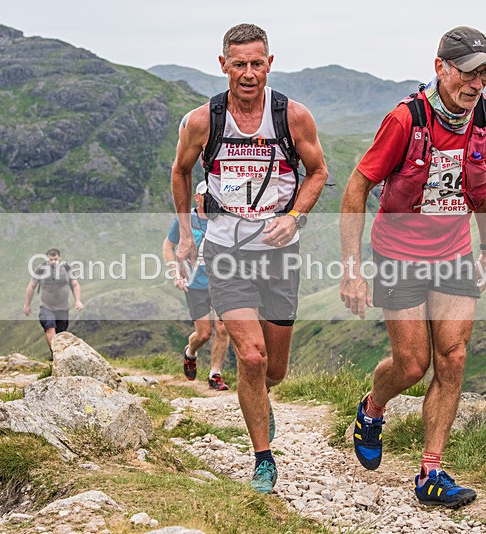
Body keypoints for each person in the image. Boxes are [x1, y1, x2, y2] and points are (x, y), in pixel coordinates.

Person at [340, 26, 486, 508]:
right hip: (398, 254)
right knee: (412, 364)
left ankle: (431, 472)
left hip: (454, 252)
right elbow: (355, 188)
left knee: (453, 357)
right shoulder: (404, 120)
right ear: (441, 68)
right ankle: (372, 410)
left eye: (485, 73)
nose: (476, 84)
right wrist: (352, 270)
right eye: (468, 73)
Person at [171, 23, 328, 493]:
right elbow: (180, 173)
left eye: (256, 63)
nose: (248, 73)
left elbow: (318, 172)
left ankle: (260, 400)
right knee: (252, 357)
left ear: (270, 64)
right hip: (225, 252)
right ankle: (263, 459)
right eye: (238, 64)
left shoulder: (292, 117)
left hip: (279, 255)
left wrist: (295, 216)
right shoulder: (203, 121)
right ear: (223, 65)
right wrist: (185, 235)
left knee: (273, 371)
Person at [163, 180, 231, 391]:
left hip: (221, 282)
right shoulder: (186, 219)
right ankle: (190, 352)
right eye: (205, 195)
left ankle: (215, 374)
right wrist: (175, 274)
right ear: (197, 197)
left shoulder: (221, 219)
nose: (210, 198)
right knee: (204, 334)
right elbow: (168, 245)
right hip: (195, 283)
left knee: (223, 327)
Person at [23, 248, 83, 357]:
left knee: (61, 334)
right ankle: (56, 355)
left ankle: (58, 356)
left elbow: (75, 285)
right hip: (46, 307)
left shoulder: (67, 268)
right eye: (50, 260)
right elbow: (31, 286)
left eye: (55, 259)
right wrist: (27, 304)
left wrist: (78, 301)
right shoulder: (41, 269)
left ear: (59, 258)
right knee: (50, 328)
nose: (53, 262)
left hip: (63, 308)